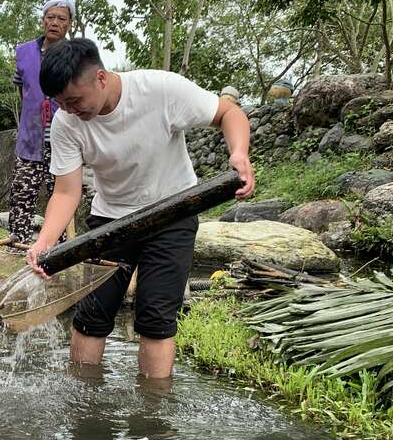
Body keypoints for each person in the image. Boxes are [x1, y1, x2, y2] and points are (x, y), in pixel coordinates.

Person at [26, 38, 255, 378]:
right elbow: (65, 192)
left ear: (100, 78)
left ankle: (153, 404)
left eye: (74, 100)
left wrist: (239, 152)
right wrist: (44, 241)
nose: (69, 110)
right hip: (110, 222)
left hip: (173, 213)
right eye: (61, 103)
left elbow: (228, 113)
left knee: (156, 320)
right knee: (91, 315)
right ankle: (82, 398)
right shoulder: (66, 123)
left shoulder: (160, 89)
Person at [9, 0, 75, 243]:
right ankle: (17, 246)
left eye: (61, 19)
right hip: (30, 140)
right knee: (21, 196)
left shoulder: (76, 55)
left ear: (69, 24)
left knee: (61, 200)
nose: (55, 23)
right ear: (43, 20)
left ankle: (58, 252)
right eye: (51, 17)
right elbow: (22, 88)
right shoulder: (24, 52)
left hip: (63, 142)